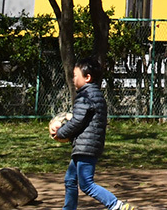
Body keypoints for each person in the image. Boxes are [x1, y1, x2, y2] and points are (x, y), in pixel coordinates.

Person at [52, 56, 136, 210]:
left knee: (86, 184)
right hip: (86, 145)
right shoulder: (94, 94)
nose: (72, 79)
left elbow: (77, 121)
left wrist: (61, 133)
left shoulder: (85, 96)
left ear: (87, 77)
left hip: (86, 147)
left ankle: (116, 205)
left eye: (75, 76)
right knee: (70, 179)